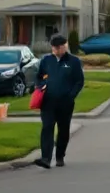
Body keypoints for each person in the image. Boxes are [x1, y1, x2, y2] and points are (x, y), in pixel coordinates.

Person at [33, 34, 85, 169]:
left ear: (64, 46)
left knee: (63, 130)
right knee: (47, 128)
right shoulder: (46, 60)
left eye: (59, 47)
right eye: (54, 48)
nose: (56, 50)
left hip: (65, 102)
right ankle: (45, 158)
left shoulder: (73, 61)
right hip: (48, 101)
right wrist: (41, 85)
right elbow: (39, 77)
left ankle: (60, 155)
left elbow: (79, 81)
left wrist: (71, 95)